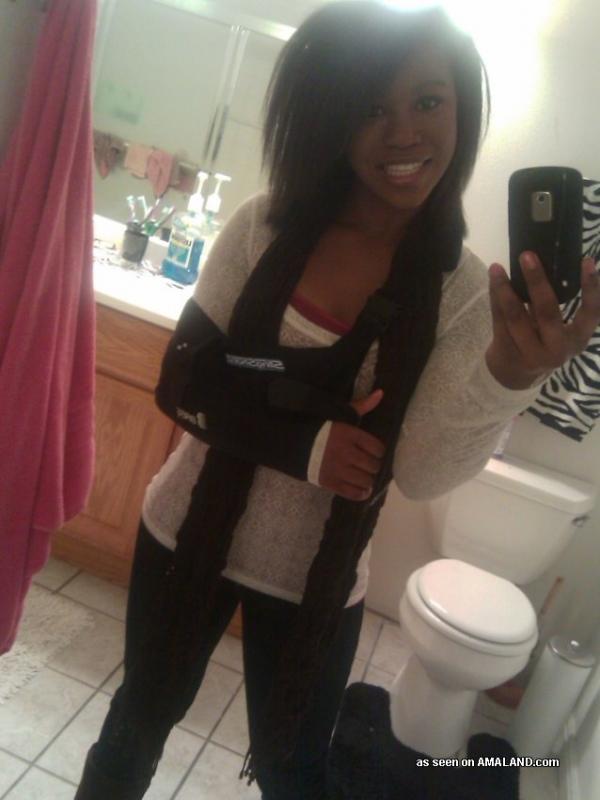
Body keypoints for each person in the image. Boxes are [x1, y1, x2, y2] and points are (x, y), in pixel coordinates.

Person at [75, 2, 600, 799]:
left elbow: (418, 472)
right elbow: (182, 380)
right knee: (135, 724)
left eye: (429, 101)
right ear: (331, 116)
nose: (404, 133)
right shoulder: (263, 226)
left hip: (317, 580)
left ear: (461, 110)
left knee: (293, 772)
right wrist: (310, 445)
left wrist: (507, 375)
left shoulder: (464, 291)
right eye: (370, 108)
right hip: (184, 532)